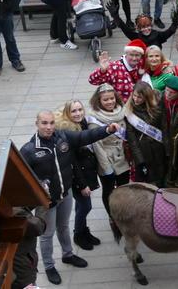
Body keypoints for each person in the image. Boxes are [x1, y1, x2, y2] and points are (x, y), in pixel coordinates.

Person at [20, 111, 119, 285]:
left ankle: (68, 254)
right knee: (46, 235)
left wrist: (107, 130)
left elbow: (85, 136)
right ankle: (49, 266)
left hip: (66, 194)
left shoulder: (63, 137)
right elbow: (22, 177)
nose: (49, 127)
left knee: (64, 227)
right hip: (46, 202)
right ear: (37, 124)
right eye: (44, 123)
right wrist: (39, 185)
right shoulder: (29, 150)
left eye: (51, 123)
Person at [54, 100, 100, 252]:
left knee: (83, 205)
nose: (78, 113)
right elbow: (72, 162)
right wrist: (82, 185)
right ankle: (78, 234)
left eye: (80, 109)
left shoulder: (83, 123)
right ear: (67, 113)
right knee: (85, 206)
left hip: (86, 172)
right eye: (73, 111)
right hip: (76, 178)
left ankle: (84, 230)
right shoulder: (68, 133)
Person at [86, 83, 130, 225]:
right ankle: (113, 217)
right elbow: (97, 146)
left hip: (123, 157)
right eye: (105, 100)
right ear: (99, 101)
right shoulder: (95, 119)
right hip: (107, 159)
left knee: (124, 188)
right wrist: (106, 168)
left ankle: (123, 212)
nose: (110, 102)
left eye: (112, 98)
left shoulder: (121, 111)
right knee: (109, 191)